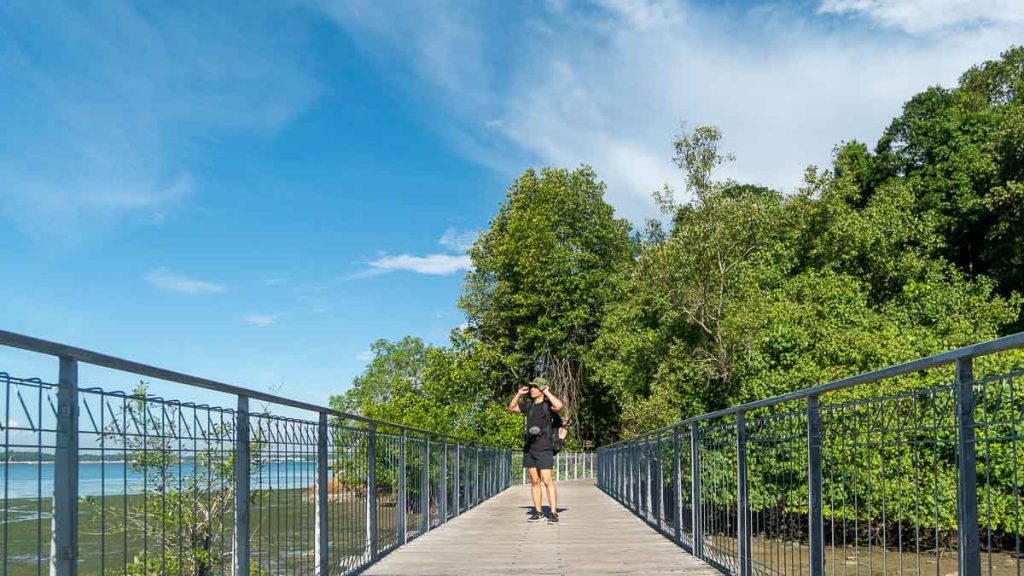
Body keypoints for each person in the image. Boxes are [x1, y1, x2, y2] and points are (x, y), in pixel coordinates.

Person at [507, 376, 564, 524]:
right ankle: (538, 512)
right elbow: (512, 408)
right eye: (531, 387)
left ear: (542, 389)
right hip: (529, 447)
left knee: (547, 480)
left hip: (544, 447)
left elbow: (559, 406)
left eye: (535, 387)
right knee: (534, 480)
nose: (532, 389)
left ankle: (553, 513)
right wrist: (519, 394)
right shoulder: (529, 406)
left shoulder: (547, 405)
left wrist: (547, 392)